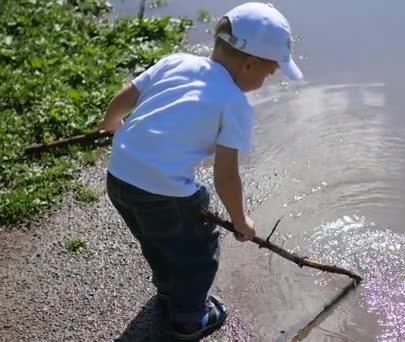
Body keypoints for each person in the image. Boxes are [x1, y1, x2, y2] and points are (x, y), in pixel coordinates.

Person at [98, 2, 302, 340]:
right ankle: (190, 319)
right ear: (250, 63)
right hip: (162, 191)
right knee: (196, 250)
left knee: (157, 239)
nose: (266, 82)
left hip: (119, 176)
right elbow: (225, 176)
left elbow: (127, 96)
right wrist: (240, 219)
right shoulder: (234, 103)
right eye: (268, 74)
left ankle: (169, 293)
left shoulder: (177, 61)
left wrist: (111, 122)